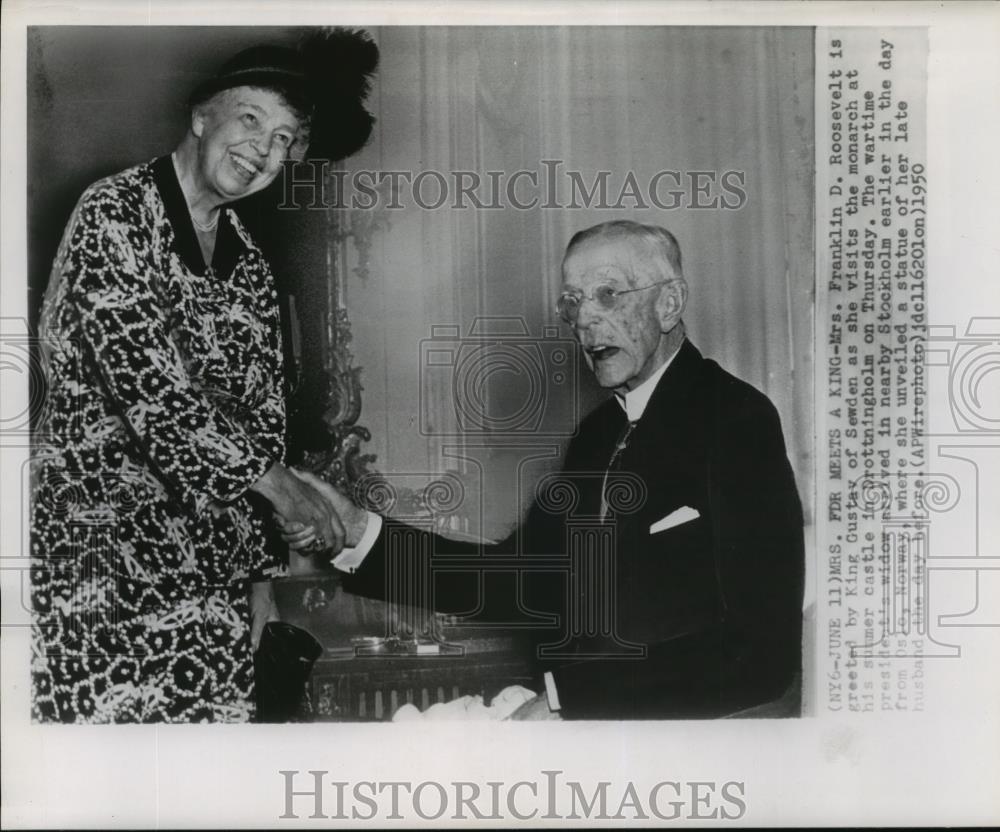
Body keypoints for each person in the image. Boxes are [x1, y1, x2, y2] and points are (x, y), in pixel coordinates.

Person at [283, 220, 805, 720]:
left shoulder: (735, 420)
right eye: (572, 301)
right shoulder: (596, 436)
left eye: (607, 294)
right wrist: (360, 533)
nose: (584, 319)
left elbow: (759, 656)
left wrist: (570, 702)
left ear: (669, 303)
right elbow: (519, 583)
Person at [30, 31, 379, 723]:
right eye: (251, 120)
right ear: (200, 116)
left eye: (284, 139)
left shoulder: (248, 263)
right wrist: (286, 495)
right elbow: (152, 391)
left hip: (207, 591)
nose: (264, 149)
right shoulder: (115, 212)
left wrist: (260, 576)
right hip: (96, 566)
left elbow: (261, 423)